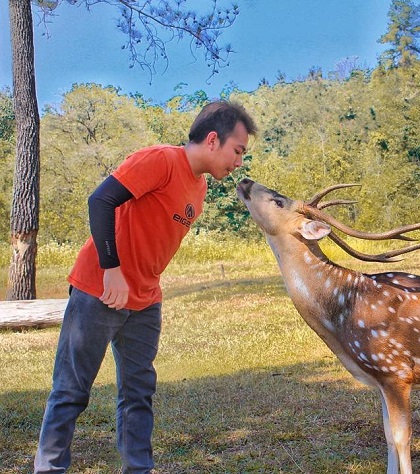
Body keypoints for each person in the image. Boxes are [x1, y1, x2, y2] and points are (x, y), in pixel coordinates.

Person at [34, 101, 258, 474]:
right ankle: (49, 469)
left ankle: (139, 469)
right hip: (99, 289)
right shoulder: (159, 160)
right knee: (71, 391)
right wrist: (111, 270)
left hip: (145, 301)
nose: (238, 163)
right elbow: (100, 200)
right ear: (213, 139)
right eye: (237, 151)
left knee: (138, 394)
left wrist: (142, 286)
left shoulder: (199, 188)